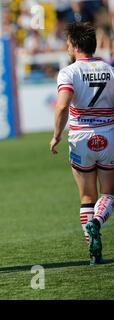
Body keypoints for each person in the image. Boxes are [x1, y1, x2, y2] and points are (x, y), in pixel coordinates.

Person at [50, 22, 114, 265]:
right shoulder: (109, 70)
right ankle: (98, 221)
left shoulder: (69, 72)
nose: (67, 47)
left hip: (80, 138)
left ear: (76, 46)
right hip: (108, 135)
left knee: (87, 196)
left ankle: (94, 253)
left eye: (68, 43)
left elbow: (63, 105)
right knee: (108, 193)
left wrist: (56, 134)